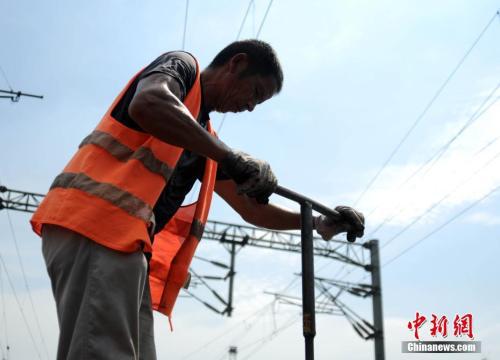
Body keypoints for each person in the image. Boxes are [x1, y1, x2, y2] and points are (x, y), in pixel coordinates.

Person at [30, 39, 364, 360]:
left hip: (124, 243)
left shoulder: (202, 137)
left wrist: (317, 223)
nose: (249, 106)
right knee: (102, 352)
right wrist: (229, 156)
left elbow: (251, 209)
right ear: (237, 63)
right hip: (96, 225)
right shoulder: (182, 67)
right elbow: (148, 102)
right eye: (255, 93)